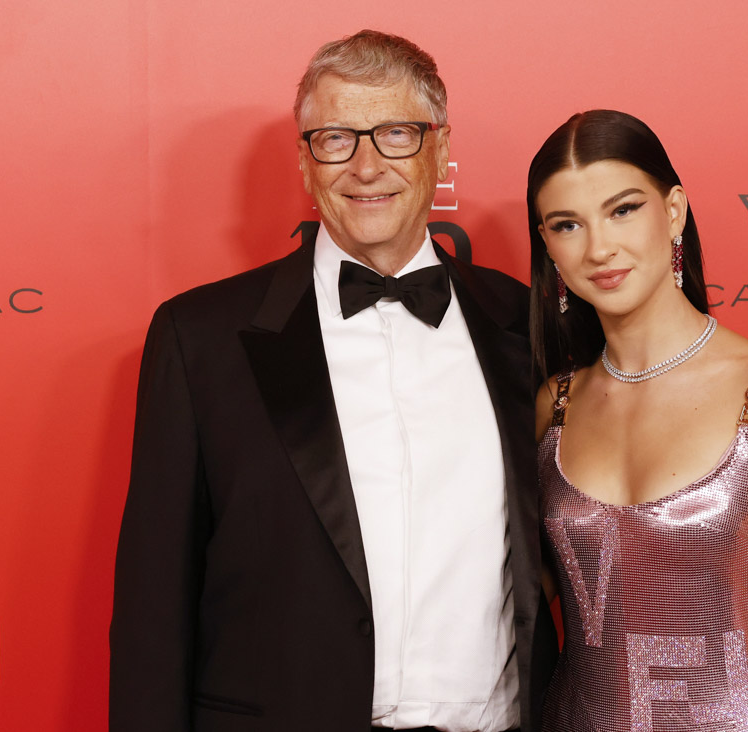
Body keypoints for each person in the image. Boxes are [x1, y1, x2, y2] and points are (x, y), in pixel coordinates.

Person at [110, 30, 556, 732]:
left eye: (396, 135)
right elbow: (151, 606)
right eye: (337, 138)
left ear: (440, 148)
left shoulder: (525, 330)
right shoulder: (200, 339)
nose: (367, 165)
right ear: (304, 158)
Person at [527, 110, 748, 731]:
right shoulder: (553, 406)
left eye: (623, 209)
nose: (599, 247)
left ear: (673, 211)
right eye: (568, 224)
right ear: (548, 245)